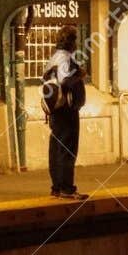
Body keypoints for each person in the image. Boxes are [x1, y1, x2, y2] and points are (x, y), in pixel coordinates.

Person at [42, 27, 88, 200]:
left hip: (55, 110)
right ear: (71, 42)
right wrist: (80, 74)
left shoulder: (53, 58)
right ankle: (67, 188)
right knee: (68, 150)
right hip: (66, 111)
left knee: (56, 149)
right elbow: (65, 82)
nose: (76, 44)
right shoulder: (66, 59)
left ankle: (57, 187)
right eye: (74, 40)